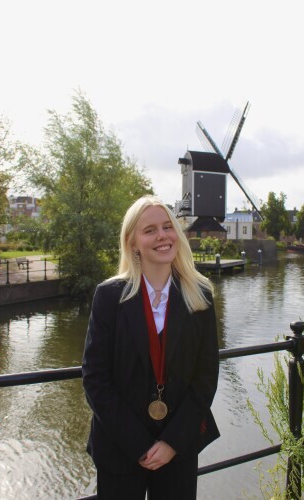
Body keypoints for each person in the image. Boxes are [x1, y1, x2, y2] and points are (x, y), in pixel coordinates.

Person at [82, 195, 220, 500]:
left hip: (178, 449)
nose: (162, 236)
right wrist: (139, 444)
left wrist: (171, 442)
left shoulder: (200, 295)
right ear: (132, 242)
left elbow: (206, 377)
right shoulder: (109, 296)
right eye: (150, 230)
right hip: (119, 448)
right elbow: (95, 379)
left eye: (167, 227)